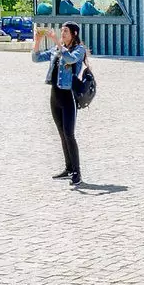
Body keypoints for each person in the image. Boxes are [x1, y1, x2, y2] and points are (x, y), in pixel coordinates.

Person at [48, 22, 87, 185]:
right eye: (61, 30)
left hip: (68, 96)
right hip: (55, 96)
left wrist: (57, 43)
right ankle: (68, 168)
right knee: (62, 134)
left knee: (69, 134)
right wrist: (36, 41)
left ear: (74, 33)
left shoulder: (79, 50)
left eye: (66, 31)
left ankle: (77, 172)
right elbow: (36, 58)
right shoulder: (58, 49)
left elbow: (70, 59)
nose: (62, 33)